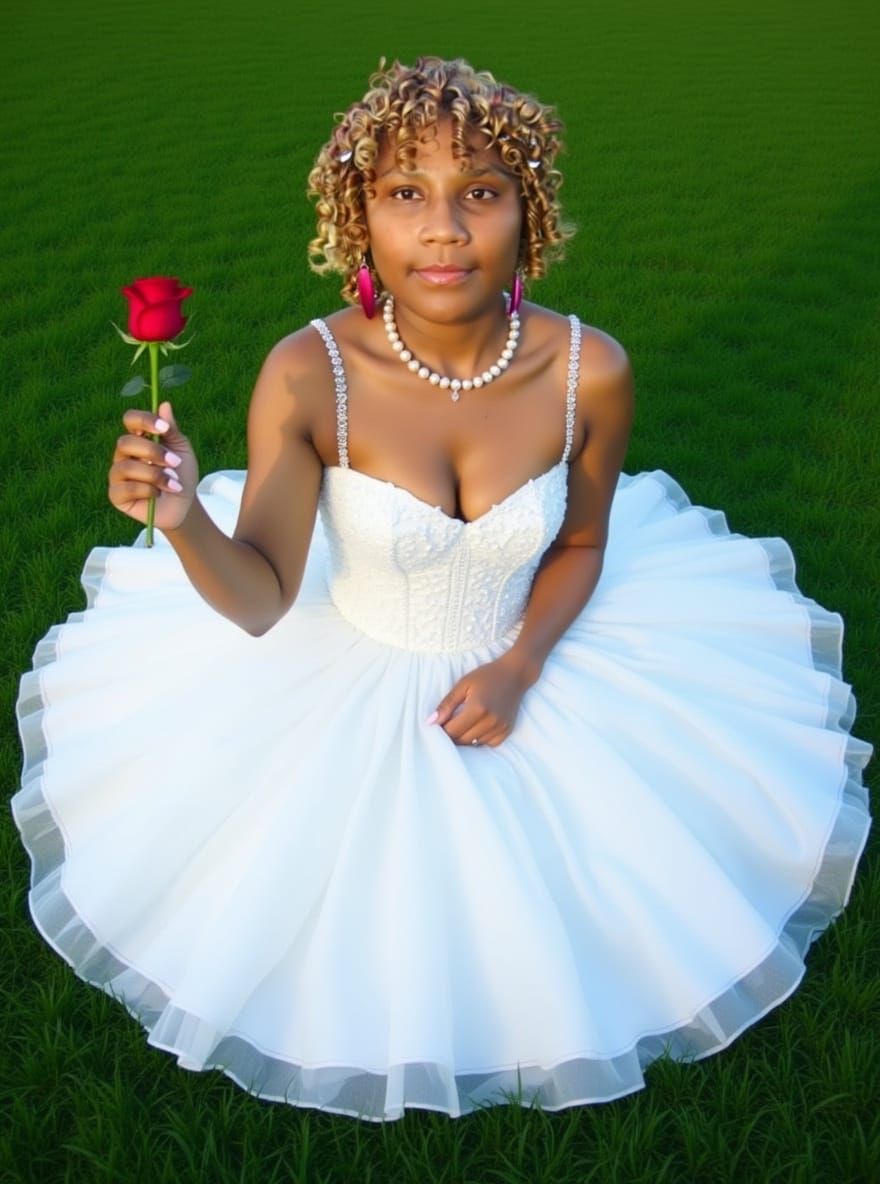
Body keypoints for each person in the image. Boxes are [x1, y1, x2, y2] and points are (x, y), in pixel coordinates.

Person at [12, 57, 872, 1122]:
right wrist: (184, 517)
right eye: (404, 193)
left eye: (480, 191)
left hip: (521, 643)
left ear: (528, 211)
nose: (445, 228)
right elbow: (261, 599)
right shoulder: (306, 371)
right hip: (348, 649)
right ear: (355, 216)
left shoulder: (585, 369)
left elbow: (582, 540)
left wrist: (517, 665)